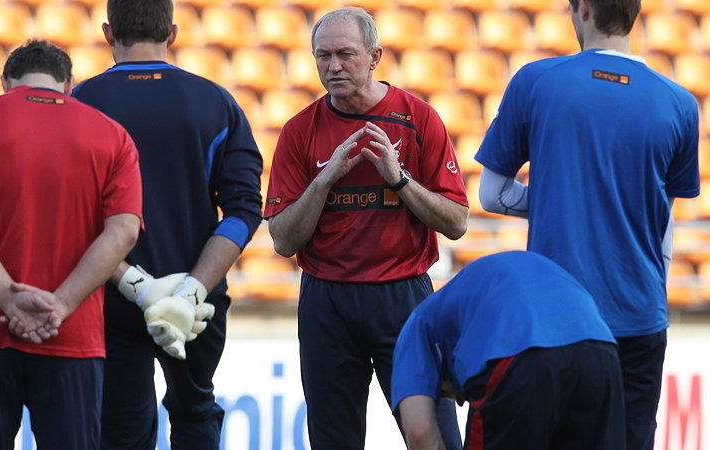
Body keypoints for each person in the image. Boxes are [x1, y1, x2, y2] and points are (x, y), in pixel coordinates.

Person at [475, 0, 700, 448]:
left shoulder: (535, 81)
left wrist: (556, 200)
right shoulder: (680, 102)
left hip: (556, 319)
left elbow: (491, 194)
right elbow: (663, 219)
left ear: (583, 10)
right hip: (640, 315)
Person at [264, 7, 469, 449]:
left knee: (432, 434)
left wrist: (399, 179)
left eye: (345, 55)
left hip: (403, 296)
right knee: (333, 440)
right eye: (323, 56)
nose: (333, 66)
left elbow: (456, 223)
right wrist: (325, 178)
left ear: (374, 57)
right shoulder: (300, 131)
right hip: (326, 300)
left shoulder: (418, 119)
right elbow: (283, 240)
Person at [0, 39, 143, 450]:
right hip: (72, 333)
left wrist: (9, 300)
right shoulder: (112, 136)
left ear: (7, 81)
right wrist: (60, 304)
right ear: (68, 83)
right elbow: (124, 233)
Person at [71, 0, 263, 448]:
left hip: (109, 295)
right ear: (172, 33)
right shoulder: (216, 101)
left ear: (107, 32)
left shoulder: (81, 103)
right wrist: (192, 288)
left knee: (120, 426)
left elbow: (71, 212)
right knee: (195, 411)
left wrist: (137, 285)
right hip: (197, 304)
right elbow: (243, 210)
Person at [392, 251, 625, 449]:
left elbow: (419, 432)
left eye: (446, 393)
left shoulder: (418, 325)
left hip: (520, 350)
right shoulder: (470, 297)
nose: (462, 401)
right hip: (600, 348)